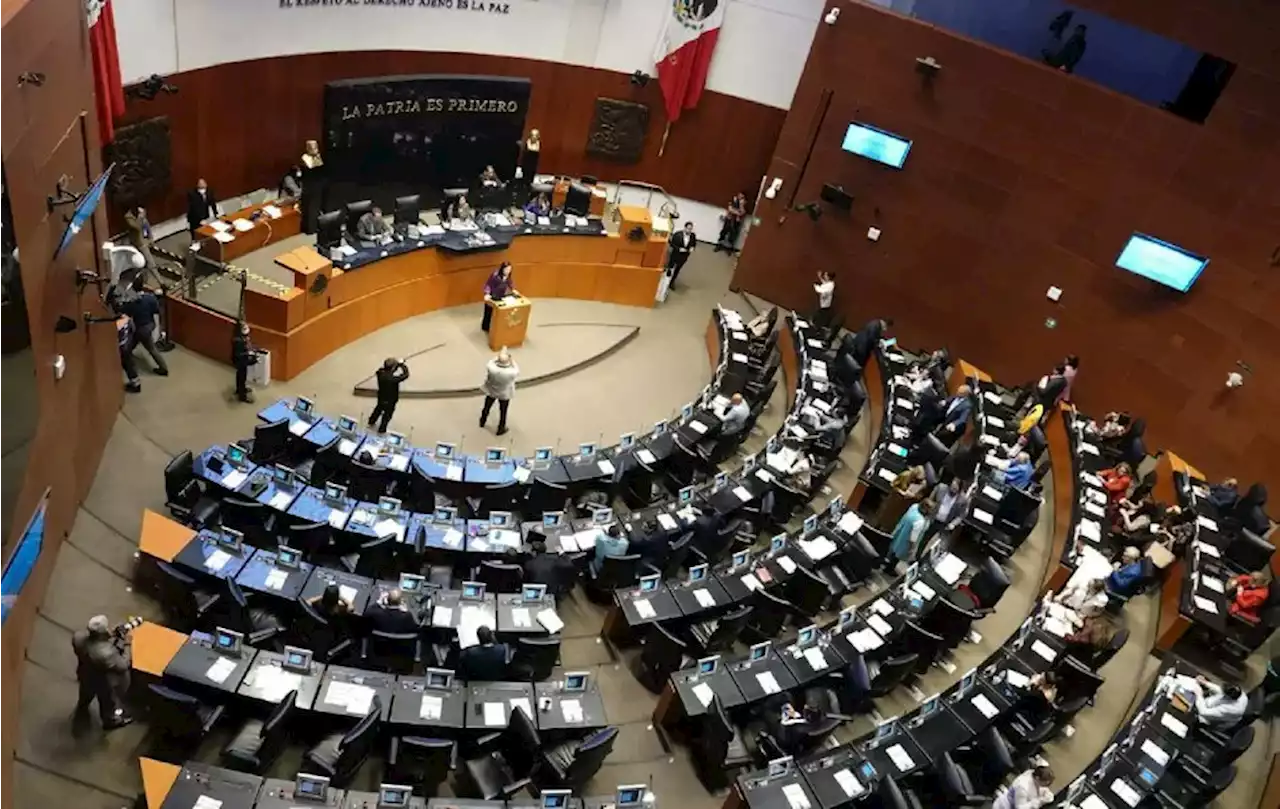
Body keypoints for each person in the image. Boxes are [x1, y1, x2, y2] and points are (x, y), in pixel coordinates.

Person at [72, 615, 133, 730]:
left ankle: (82, 708)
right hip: (102, 682)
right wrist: (126, 644)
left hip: (85, 674)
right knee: (108, 703)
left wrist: (112, 635)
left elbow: (96, 642)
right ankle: (110, 721)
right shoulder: (106, 654)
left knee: (85, 694)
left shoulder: (78, 637)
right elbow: (123, 665)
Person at [120, 274, 168, 375]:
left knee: (150, 348)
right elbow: (157, 310)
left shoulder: (132, 302)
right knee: (133, 343)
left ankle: (163, 368)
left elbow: (125, 312)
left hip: (140, 329)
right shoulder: (150, 298)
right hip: (149, 325)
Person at [885, 499, 934, 573]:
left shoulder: (914, 507)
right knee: (897, 555)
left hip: (901, 531)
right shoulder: (920, 521)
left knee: (894, 549)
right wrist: (912, 549)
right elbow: (913, 538)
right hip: (906, 541)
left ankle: (887, 562)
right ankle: (889, 569)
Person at [480, 348, 519, 436]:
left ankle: (482, 421)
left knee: (487, 407)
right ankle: (501, 428)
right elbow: (516, 367)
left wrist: (500, 355)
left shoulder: (491, 367)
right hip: (504, 394)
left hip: (492, 391)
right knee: (503, 411)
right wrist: (510, 358)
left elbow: (492, 361)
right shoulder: (511, 372)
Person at [368, 357, 410, 433]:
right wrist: (402, 365)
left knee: (378, 409)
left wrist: (397, 365)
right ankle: (382, 429)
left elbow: (390, 370)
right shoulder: (393, 379)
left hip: (381, 396)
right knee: (387, 416)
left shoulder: (380, 373)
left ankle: (371, 421)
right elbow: (406, 375)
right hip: (391, 400)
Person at [924, 477, 968, 545]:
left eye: (955, 489)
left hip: (945, 525)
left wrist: (953, 524)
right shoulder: (940, 488)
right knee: (924, 539)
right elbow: (930, 500)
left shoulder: (963, 500)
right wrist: (927, 514)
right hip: (932, 518)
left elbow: (961, 515)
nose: (952, 489)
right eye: (952, 486)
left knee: (936, 544)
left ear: (959, 490)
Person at [481, 262, 516, 332]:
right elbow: (488, 285)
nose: (508, 271)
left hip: (501, 295)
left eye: (510, 269)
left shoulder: (508, 276)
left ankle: (497, 327)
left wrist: (513, 289)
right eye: (507, 269)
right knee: (488, 312)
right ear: (502, 269)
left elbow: (510, 282)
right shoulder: (495, 275)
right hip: (491, 295)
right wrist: (487, 293)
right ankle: (485, 327)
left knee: (499, 311)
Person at [300, 140, 325, 234]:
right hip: (309, 186)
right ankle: (310, 228)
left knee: (315, 207)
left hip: (317, 185)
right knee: (309, 208)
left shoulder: (317, 157)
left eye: (316, 147)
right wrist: (316, 156)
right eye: (313, 147)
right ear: (308, 148)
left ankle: (314, 226)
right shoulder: (305, 157)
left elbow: (321, 167)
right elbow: (311, 166)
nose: (316, 149)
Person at [231, 320, 258, 404]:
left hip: (241, 360)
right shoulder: (238, 341)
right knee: (242, 377)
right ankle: (242, 396)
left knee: (240, 375)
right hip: (240, 361)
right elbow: (238, 354)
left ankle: (239, 389)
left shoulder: (241, 337)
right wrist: (248, 353)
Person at [123, 205, 156, 269]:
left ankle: (156, 276)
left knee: (149, 262)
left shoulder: (143, 219)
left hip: (143, 240)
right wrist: (140, 218)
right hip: (138, 243)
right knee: (147, 262)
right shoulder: (128, 217)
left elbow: (147, 227)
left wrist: (151, 238)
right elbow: (137, 227)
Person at [665, 221, 697, 286]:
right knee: (670, 268)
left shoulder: (693, 236)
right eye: (688, 228)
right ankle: (666, 280)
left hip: (684, 256)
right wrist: (679, 249)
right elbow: (672, 244)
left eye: (691, 229)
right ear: (685, 228)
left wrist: (692, 248)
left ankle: (672, 283)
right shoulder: (677, 234)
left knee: (677, 270)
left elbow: (694, 244)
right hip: (675, 255)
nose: (689, 230)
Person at [117, 314, 141, 393]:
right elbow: (133, 330)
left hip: (123, 347)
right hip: (128, 344)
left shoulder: (117, 325)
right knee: (130, 365)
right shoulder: (127, 319)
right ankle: (135, 383)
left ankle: (136, 385)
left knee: (128, 366)